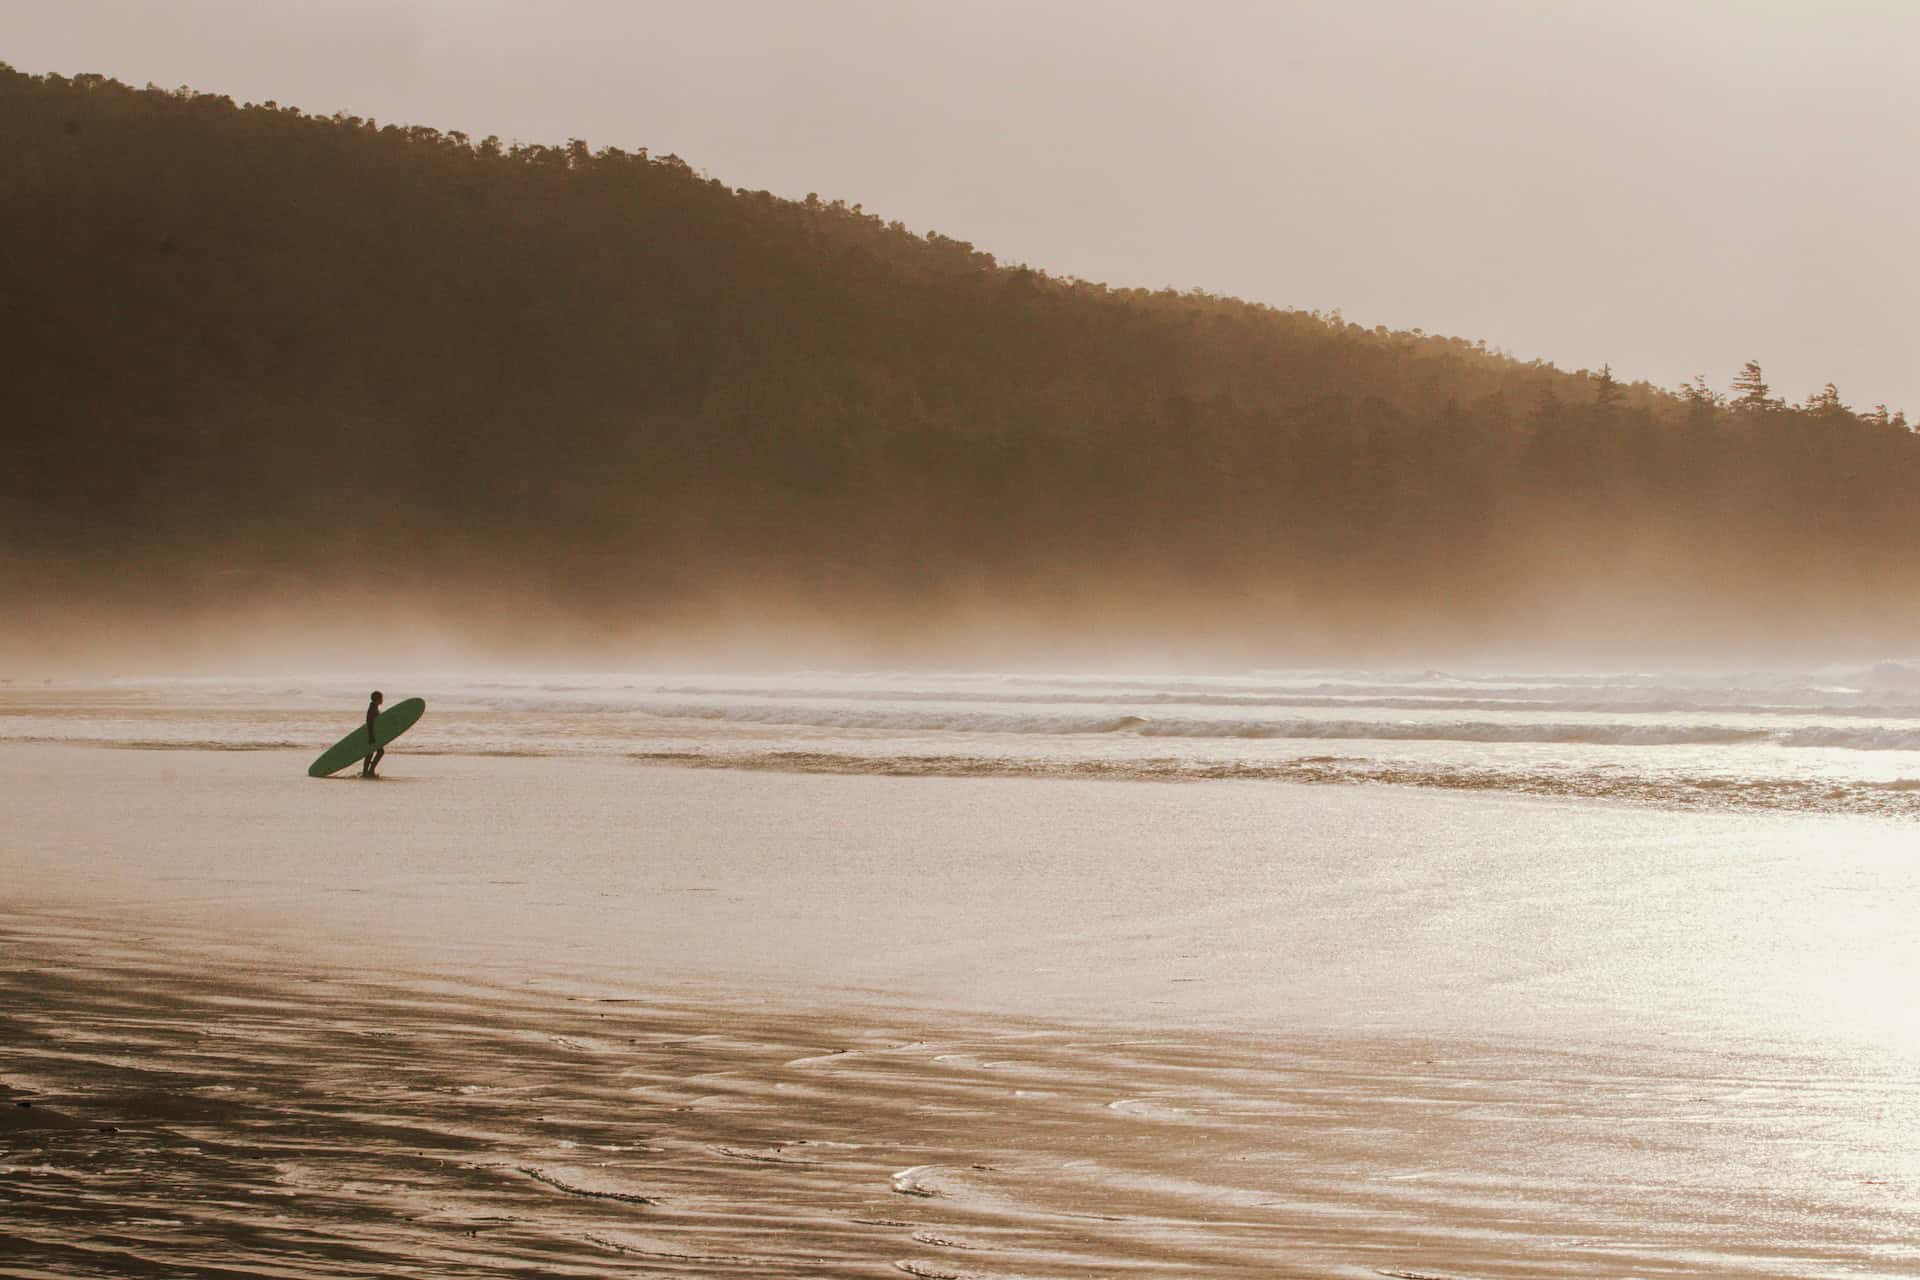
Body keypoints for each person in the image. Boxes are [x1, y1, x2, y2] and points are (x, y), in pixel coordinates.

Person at [361, 690, 385, 778]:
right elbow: (370, 723)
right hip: (372, 734)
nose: (383, 700)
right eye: (381, 698)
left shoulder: (373, 707)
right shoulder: (372, 709)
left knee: (371, 752)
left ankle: (366, 771)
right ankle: (369, 771)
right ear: (378, 699)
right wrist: (371, 737)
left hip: (373, 734)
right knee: (379, 751)